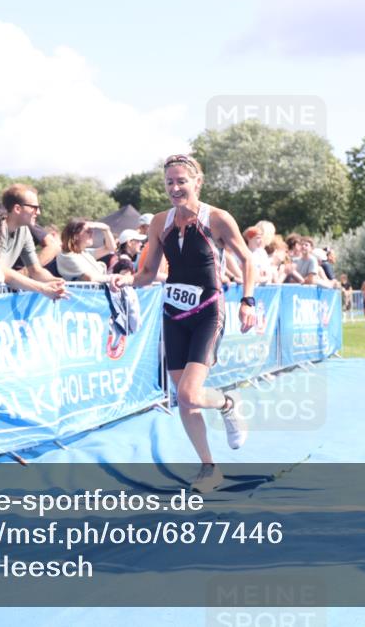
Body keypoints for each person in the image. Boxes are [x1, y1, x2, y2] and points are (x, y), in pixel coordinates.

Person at [109, 154, 255, 494]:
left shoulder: (217, 219)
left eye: (181, 181)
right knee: (183, 399)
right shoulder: (160, 222)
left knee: (190, 393)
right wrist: (125, 281)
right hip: (174, 313)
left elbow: (247, 260)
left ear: (197, 183)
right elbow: (147, 273)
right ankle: (209, 467)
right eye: (169, 183)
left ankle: (227, 404)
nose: (175, 188)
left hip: (208, 310)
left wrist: (248, 302)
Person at [0, 185, 67, 299]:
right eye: (34, 207)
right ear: (17, 209)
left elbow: (36, 271)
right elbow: (1, 271)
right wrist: (43, 288)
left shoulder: (24, 231)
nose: (38, 212)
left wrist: (56, 282)